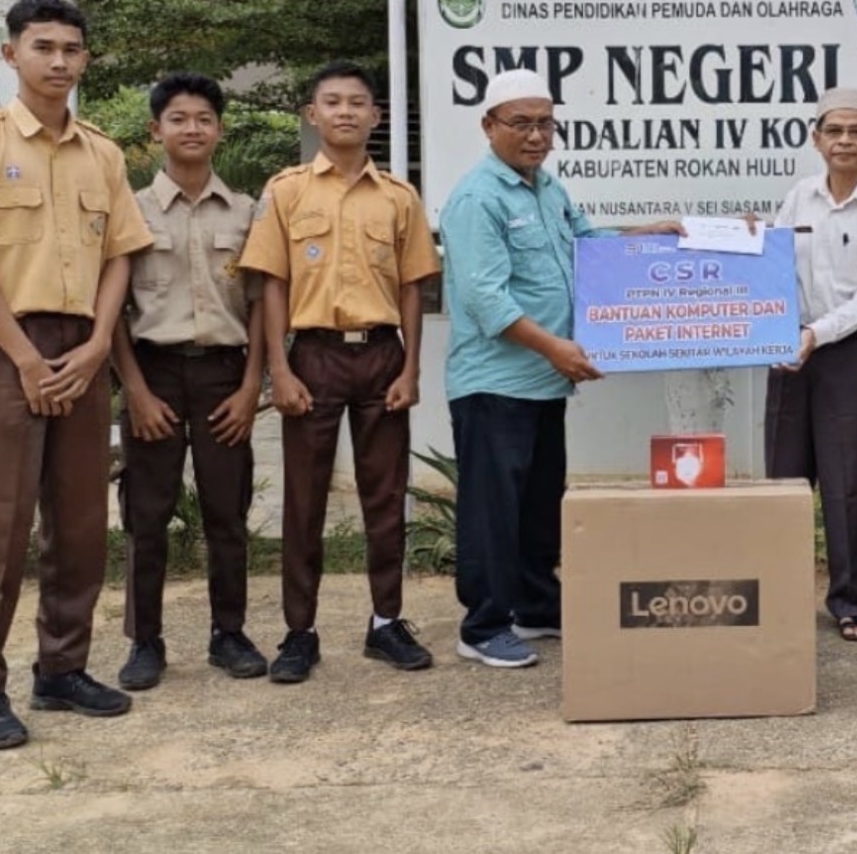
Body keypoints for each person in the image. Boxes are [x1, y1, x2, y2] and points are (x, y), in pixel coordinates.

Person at [0, 0, 154, 751]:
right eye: (43, 47)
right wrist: (24, 358)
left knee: (81, 521)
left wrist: (97, 346)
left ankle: (61, 669)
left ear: (86, 58)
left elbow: (120, 255)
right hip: (4, 347)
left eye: (71, 49)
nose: (59, 61)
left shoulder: (104, 154)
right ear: (11, 54)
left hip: (82, 347)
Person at [439, 69, 683, 668]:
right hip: (495, 382)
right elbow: (485, 300)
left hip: (544, 382)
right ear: (489, 126)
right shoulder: (477, 199)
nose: (536, 136)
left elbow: (587, 246)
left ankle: (535, 606)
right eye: (521, 123)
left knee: (538, 504)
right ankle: (483, 625)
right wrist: (555, 348)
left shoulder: (548, 189)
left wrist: (645, 234)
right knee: (494, 510)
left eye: (545, 123)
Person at [238, 60, 443, 684]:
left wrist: (410, 367)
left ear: (376, 116)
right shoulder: (288, 191)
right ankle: (300, 632)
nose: (345, 112)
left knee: (385, 498)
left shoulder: (399, 197)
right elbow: (272, 284)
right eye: (332, 102)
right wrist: (279, 369)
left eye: (358, 102)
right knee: (305, 500)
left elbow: (412, 287)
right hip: (314, 355)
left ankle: (387, 622)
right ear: (312, 114)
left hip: (381, 353)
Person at [108, 73, 269, 691]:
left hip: (224, 375)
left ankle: (229, 633)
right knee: (146, 515)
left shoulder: (247, 211)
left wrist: (251, 387)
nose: (192, 128)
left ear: (220, 130)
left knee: (228, 512)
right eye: (179, 118)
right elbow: (112, 308)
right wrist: (135, 390)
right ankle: (144, 641)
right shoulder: (132, 210)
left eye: (204, 118)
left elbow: (261, 305)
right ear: (156, 130)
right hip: (153, 373)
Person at [766, 86, 857, 642]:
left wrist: (817, 333)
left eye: (856, 132)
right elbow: (774, 265)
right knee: (784, 476)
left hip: (849, 351)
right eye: (834, 131)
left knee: (848, 479)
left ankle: (853, 601)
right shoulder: (798, 198)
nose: (844, 141)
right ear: (816, 139)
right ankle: (779, 594)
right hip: (787, 347)